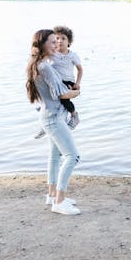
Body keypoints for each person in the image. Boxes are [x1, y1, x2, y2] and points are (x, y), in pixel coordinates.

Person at [26, 29, 82, 215]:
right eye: (52, 41)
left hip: (50, 116)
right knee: (72, 156)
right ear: (42, 45)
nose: (56, 44)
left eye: (58, 40)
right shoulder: (46, 67)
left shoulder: (38, 64)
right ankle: (59, 201)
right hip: (54, 118)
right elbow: (62, 94)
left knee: (54, 156)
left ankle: (52, 196)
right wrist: (77, 93)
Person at [34, 25, 83, 139]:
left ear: (69, 42)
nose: (59, 41)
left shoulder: (72, 55)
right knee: (45, 96)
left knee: (64, 100)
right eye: (57, 39)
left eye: (63, 38)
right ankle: (44, 124)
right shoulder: (53, 53)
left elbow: (80, 69)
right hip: (56, 81)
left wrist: (78, 83)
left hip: (67, 81)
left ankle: (74, 115)